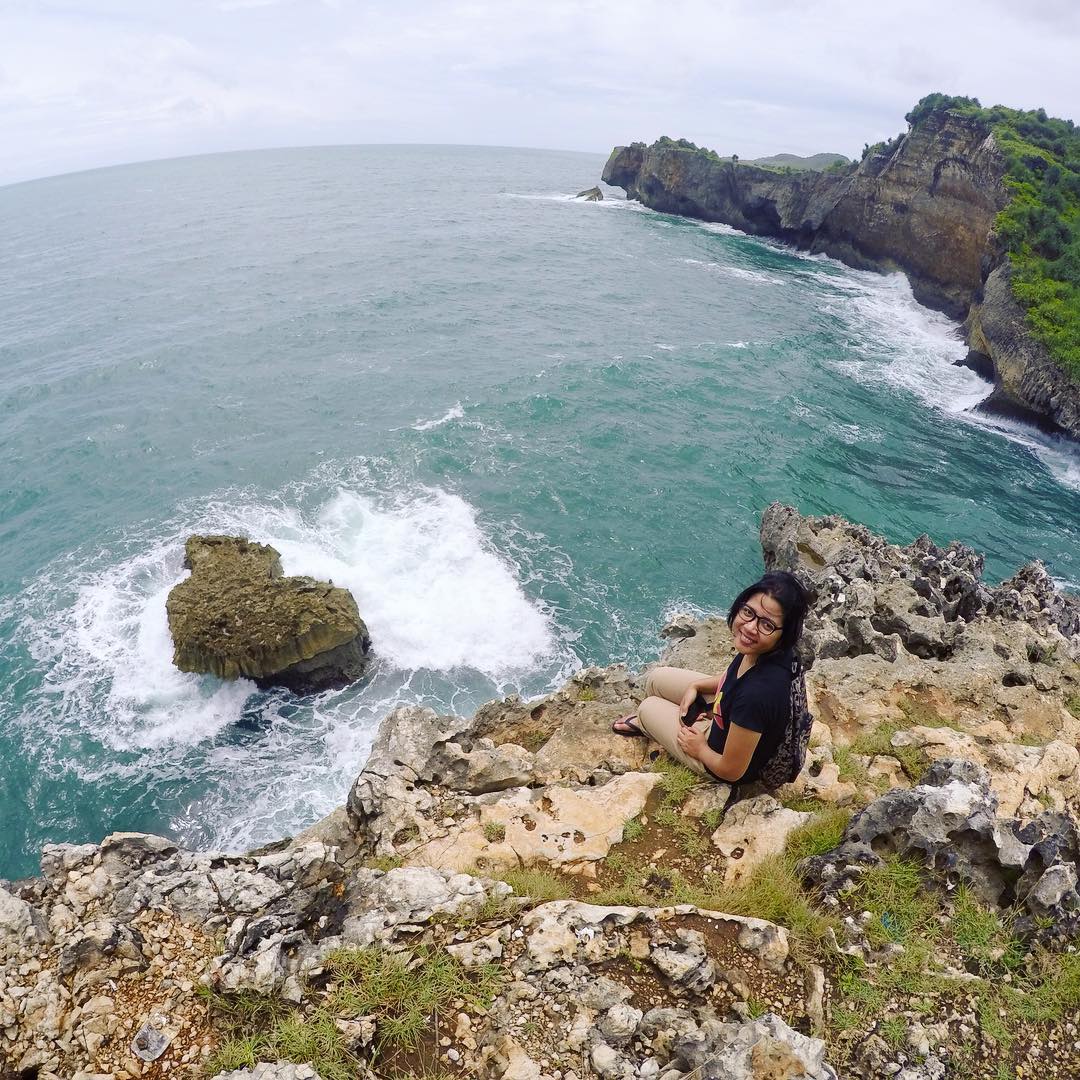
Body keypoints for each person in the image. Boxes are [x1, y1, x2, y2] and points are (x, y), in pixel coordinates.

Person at [612, 571, 809, 786]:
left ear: (784, 634)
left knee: (647, 707)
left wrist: (700, 749)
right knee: (655, 679)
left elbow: (731, 770)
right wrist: (697, 686)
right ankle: (671, 718)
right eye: (748, 612)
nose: (751, 627)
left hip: (718, 758)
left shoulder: (758, 695)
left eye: (767, 625)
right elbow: (734, 679)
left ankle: (647, 723)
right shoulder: (765, 651)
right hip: (728, 715)